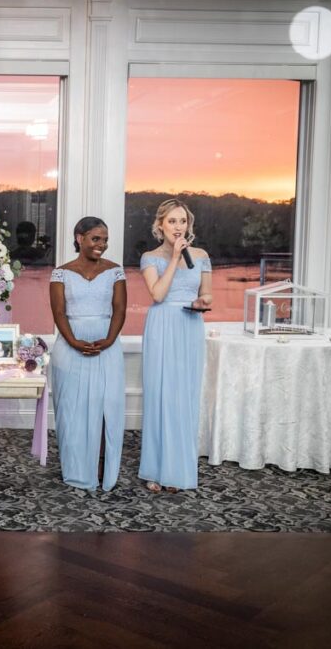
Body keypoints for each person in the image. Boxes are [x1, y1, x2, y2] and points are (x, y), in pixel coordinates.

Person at [138, 199, 213, 493]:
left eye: (183, 221)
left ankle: (178, 470)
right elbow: (157, 294)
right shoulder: (150, 258)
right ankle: (156, 470)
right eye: (172, 221)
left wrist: (202, 302)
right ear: (160, 226)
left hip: (190, 326)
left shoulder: (202, 256)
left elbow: (208, 295)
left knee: (184, 399)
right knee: (160, 397)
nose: (178, 227)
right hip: (162, 326)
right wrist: (174, 260)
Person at [48, 216, 127, 491]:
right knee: (71, 410)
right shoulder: (61, 273)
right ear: (79, 238)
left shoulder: (115, 271)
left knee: (108, 408)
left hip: (107, 345)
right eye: (96, 239)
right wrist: (73, 341)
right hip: (70, 347)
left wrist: (108, 340)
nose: (102, 245)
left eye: (105, 240)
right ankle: (76, 468)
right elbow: (58, 312)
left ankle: (104, 469)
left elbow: (119, 310)